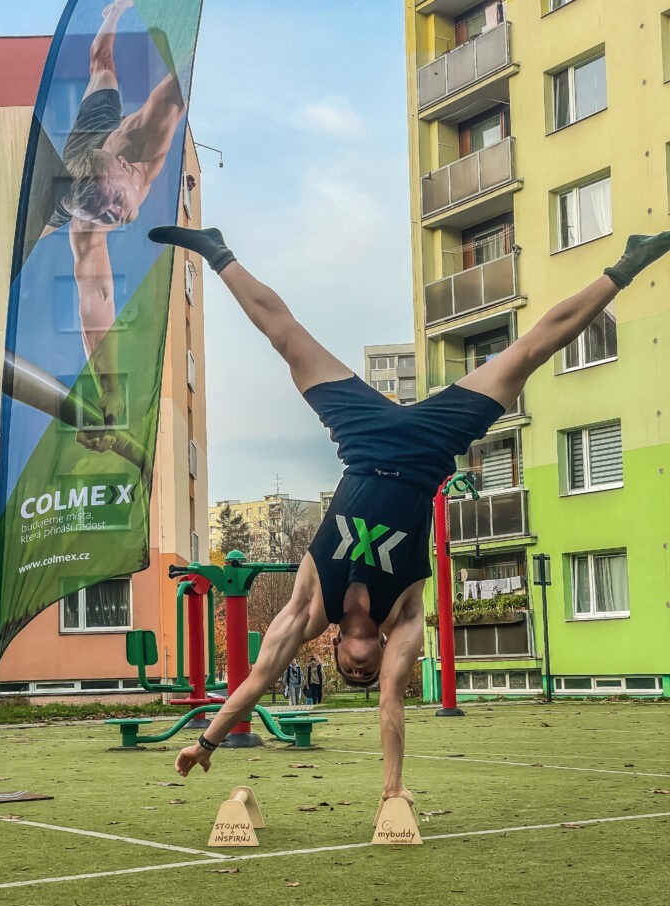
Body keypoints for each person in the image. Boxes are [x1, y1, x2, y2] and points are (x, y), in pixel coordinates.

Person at [149, 224, 670, 803]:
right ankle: (628, 264)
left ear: (341, 652)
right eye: (366, 675)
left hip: (364, 442)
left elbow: (256, 680)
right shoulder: (404, 621)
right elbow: (394, 704)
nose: (366, 673)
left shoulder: (308, 607)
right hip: (426, 452)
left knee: (287, 338)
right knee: (530, 352)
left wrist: (207, 742)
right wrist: (393, 791)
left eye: (355, 672)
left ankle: (216, 250)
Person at [42, 0, 187, 447]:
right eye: (105, 216)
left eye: (114, 203)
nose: (116, 217)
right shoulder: (84, 222)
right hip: (69, 191)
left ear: (125, 167)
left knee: (102, 66)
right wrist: (109, 394)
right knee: (45, 225)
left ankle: (110, 14)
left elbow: (183, 77)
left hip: (98, 134)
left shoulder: (145, 130)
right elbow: (97, 297)